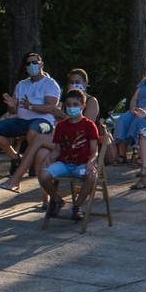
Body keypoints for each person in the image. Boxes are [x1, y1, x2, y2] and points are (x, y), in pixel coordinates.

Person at [0, 52, 59, 191]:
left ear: (41, 65)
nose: (31, 66)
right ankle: (16, 158)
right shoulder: (21, 85)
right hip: (21, 120)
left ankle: (21, 172)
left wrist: (31, 106)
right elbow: (15, 111)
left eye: (34, 63)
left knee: (33, 130)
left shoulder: (50, 84)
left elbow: (50, 108)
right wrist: (11, 106)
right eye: (28, 63)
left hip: (44, 122)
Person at [38, 89, 101, 223]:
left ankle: (77, 206)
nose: (71, 108)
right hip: (64, 164)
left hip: (81, 164)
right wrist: (49, 157)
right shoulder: (61, 126)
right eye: (69, 104)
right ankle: (57, 200)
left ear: (82, 106)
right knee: (43, 175)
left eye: (75, 104)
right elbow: (57, 150)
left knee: (91, 176)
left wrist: (91, 161)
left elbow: (94, 151)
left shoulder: (89, 125)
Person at [108, 54, 146, 164]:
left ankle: (143, 155)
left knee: (141, 120)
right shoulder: (143, 82)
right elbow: (134, 99)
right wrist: (133, 108)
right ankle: (122, 154)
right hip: (138, 109)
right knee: (122, 119)